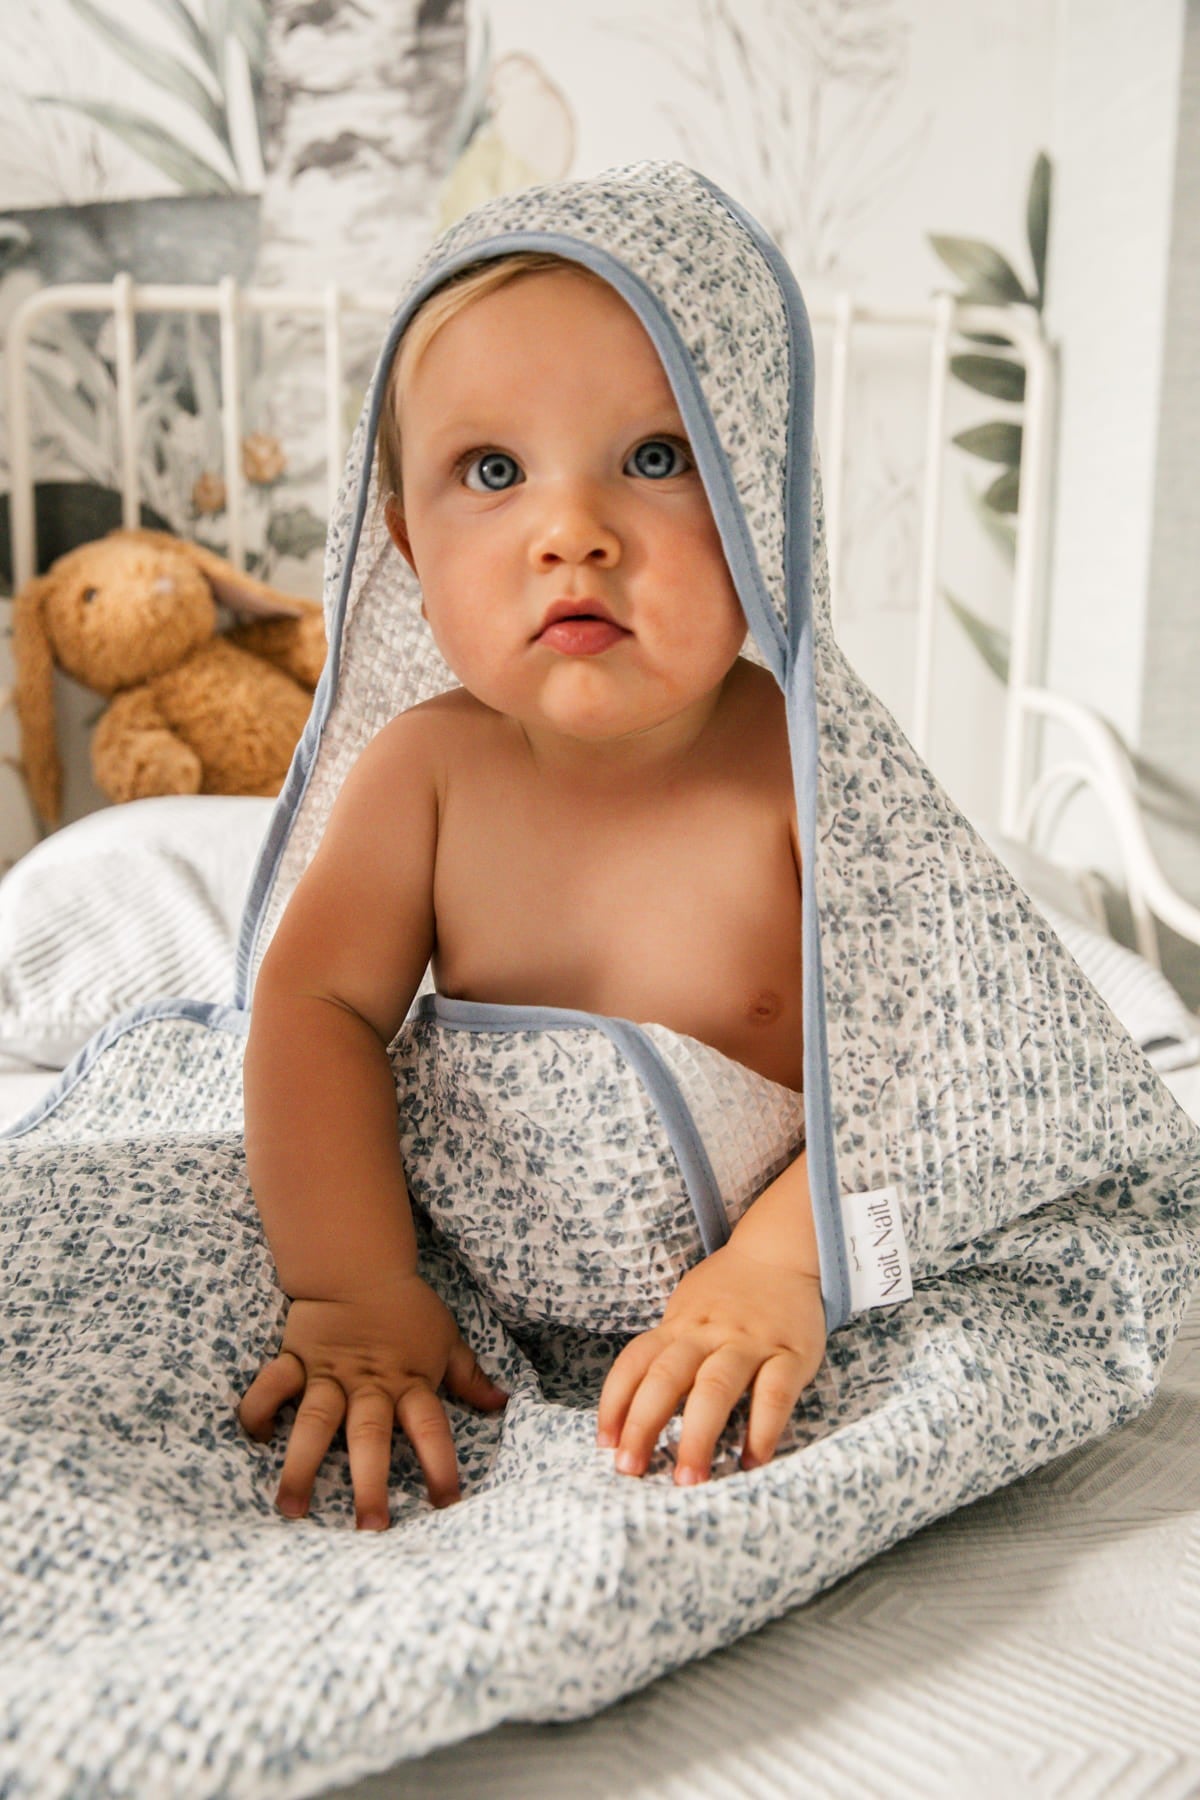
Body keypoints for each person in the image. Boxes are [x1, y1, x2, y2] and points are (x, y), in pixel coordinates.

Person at [237, 251, 827, 1531]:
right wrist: (351, 1288)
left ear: (765, 503)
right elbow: (316, 1009)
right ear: (407, 540)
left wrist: (782, 1268)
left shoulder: (815, 781)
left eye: (658, 457)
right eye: (494, 474)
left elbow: (927, 1073)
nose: (575, 533)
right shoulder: (427, 774)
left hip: (747, 1290)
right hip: (468, 1295)